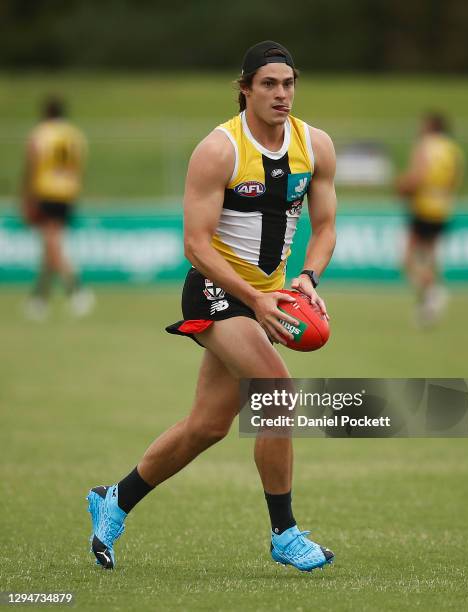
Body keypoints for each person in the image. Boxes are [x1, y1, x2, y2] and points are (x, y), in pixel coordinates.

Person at [87, 41, 337, 572]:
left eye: (288, 83)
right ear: (244, 88)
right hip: (217, 290)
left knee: (207, 426)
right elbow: (196, 244)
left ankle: (115, 498)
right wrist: (255, 300)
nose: (281, 94)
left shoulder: (315, 146)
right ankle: (285, 533)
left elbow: (327, 226)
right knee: (278, 393)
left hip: (266, 298)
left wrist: (310, 278)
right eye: (268, 84)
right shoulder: (219, 149)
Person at [21, 96, 94, 320]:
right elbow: (79, 165)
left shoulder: (41, 133)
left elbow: (31, 164)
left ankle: (78, 289)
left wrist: (26, 196)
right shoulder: (74, 135)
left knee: (52, 245)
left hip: (46, 191)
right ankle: (39, 298)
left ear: (45, 113)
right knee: (50, 245)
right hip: (67, 193)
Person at [396, 112, 464, 327]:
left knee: (407, 258)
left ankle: (433, 292)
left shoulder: (424, 146)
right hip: (442, 208)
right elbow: (455, 179)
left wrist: (402, 186)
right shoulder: (453, 149)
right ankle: (427, 301)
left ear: (430, 126)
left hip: (423, 208)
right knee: (430, 256)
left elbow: (418, 176)